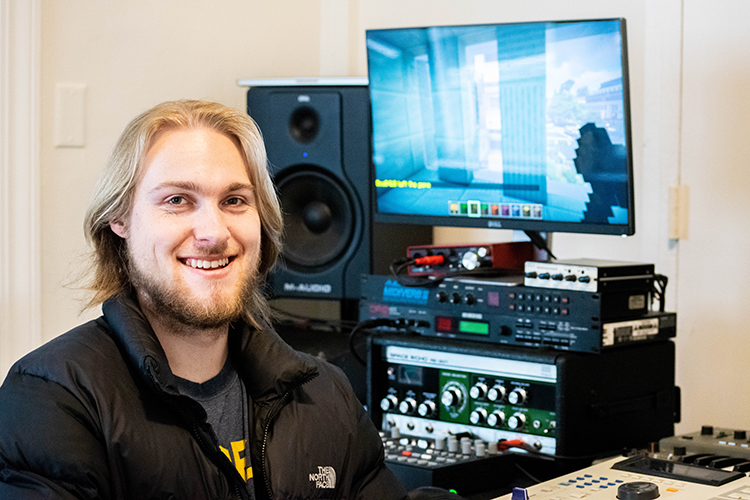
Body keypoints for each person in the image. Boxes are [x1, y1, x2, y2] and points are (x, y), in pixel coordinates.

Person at [0, 100, 412, 499]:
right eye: (177, 201)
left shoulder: (324, 393)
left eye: (234, 201)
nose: (213, 233)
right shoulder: (54, 398)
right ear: (120, 219)